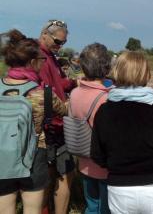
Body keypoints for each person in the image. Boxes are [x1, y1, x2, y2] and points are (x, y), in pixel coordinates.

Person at [91, 51, 153, 214]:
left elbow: (96, 154)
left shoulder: (104, 111)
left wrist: (118, 165)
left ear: (117, 72)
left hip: (120, 187)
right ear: (146, 74)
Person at [0, 29, 67, 214]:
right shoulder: (42, 94)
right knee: (32, 209)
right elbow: (64, 110)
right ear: (32, 62)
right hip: (35, 155)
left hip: (2, 155)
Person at [69, 43, 112, 214]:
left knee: (92, 206)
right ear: (107, 66)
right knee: (107, 208)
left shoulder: (74, 93)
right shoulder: (108, 96)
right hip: (106, 166)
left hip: (84, 161)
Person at [38, 19, 76, 214]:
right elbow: (46, 93)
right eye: (57, 41)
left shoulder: (49, 56)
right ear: (44, 34)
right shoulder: (41, 58)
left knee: (51, 173)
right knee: (62, 173)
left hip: (54, 122)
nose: (60, 46)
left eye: (63, 43)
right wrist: (65, 106)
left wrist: (72, 83)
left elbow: (58, 84)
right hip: (52, 123)